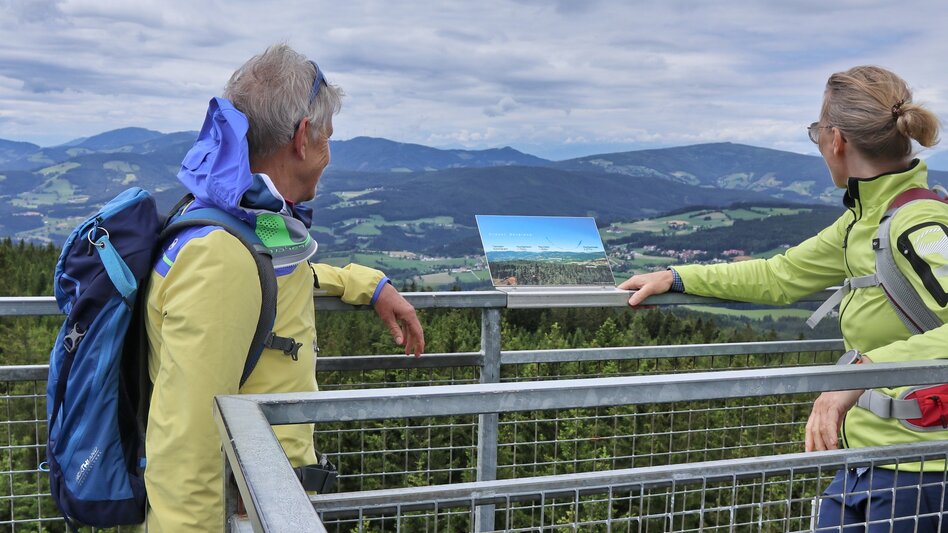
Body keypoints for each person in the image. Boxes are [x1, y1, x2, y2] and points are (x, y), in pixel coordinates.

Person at [619, 65, 947, 531]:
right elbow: (782, 275)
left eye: (816, 131)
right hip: (870, 460)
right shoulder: (866, 219)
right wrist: (676, 276)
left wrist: (857, 376)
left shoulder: (917, 224)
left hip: (922, 472)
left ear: (836, 140)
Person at [142, 44, 425, 532]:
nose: (329, 156)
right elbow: (185, 447)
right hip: (244, 512)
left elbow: (278, 277)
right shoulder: (219, 257)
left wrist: (364, 283)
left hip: (265, 502)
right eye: (328, 138)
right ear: (302, 137)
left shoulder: (248, 220)